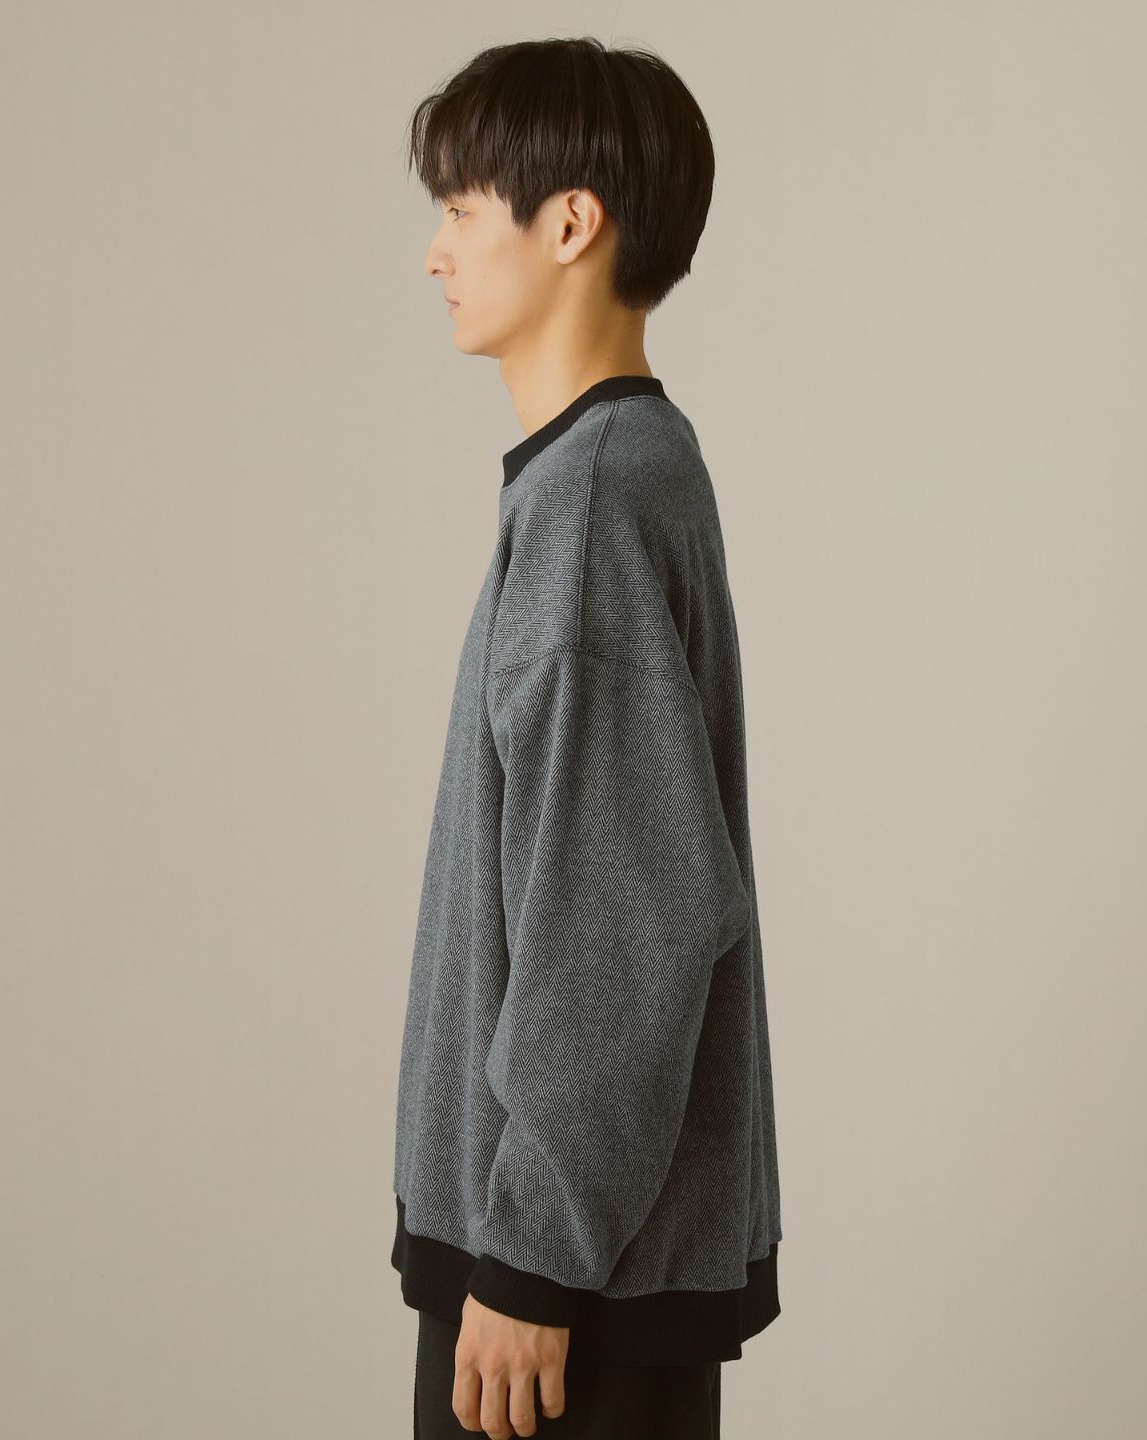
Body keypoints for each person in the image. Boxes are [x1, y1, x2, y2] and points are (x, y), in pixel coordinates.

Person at [391, 35, 783, 1440]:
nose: (435, 253)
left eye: (459, 207)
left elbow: (628, 912)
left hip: (562, 1290)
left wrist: (530, 1253)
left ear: (570, 222)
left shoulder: (595, 499)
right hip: (584, 1260)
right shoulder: (618, 470)